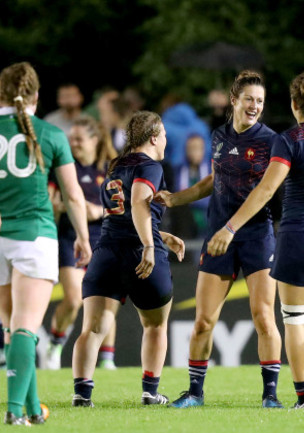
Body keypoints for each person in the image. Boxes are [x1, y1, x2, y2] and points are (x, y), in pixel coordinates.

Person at [208, 71, 304, 409]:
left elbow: (266, 189)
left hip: (298, 236)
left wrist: (230, 227)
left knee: (295, 321)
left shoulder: (290, 139)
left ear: (294, 104)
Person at [155, 71, 284, 409]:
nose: (254, 106)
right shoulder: (217, 136)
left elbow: (264, 192)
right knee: (203, 321)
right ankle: (195, 394)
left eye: (259, 101)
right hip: (218, 237)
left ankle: (270, 396)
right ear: (234, 99)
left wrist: (230, 229)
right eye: (249, 99)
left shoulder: (271, 141)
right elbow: (214, 179)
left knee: (263, 317)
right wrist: (175, 198)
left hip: (255, 236)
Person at [71, 111, 184, 408]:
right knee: (156, 326)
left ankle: (82, 395)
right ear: (154, 137)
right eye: (165, 136)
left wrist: (161, 236)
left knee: (92, 329)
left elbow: (122, 217)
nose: (166, 142)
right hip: (139, 253)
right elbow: (137, 202)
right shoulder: (150, 165)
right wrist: (149, 244)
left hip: (106, 252)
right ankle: (150, 391)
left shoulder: (114, 167)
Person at [0, 62, 92, 425]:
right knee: (25, 326)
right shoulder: (50, 133)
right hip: (34, 236)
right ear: (37, 96)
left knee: (11, 327)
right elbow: (72, 194)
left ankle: (34, 408)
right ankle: (14, 410)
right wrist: (83, 236)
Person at [44, 116, 119, 370]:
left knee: (108, 300)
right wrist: (63, 207)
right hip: (70, 238)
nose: (73, 143)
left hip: (105, 238)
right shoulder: (65, 167)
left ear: (94, 140)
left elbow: (127, 208)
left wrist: (98, 211)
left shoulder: (110, 169)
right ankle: (55, 343)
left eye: (78, 139)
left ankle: (107, 359)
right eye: (71, 139)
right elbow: (52, 203)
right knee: (75, 299)